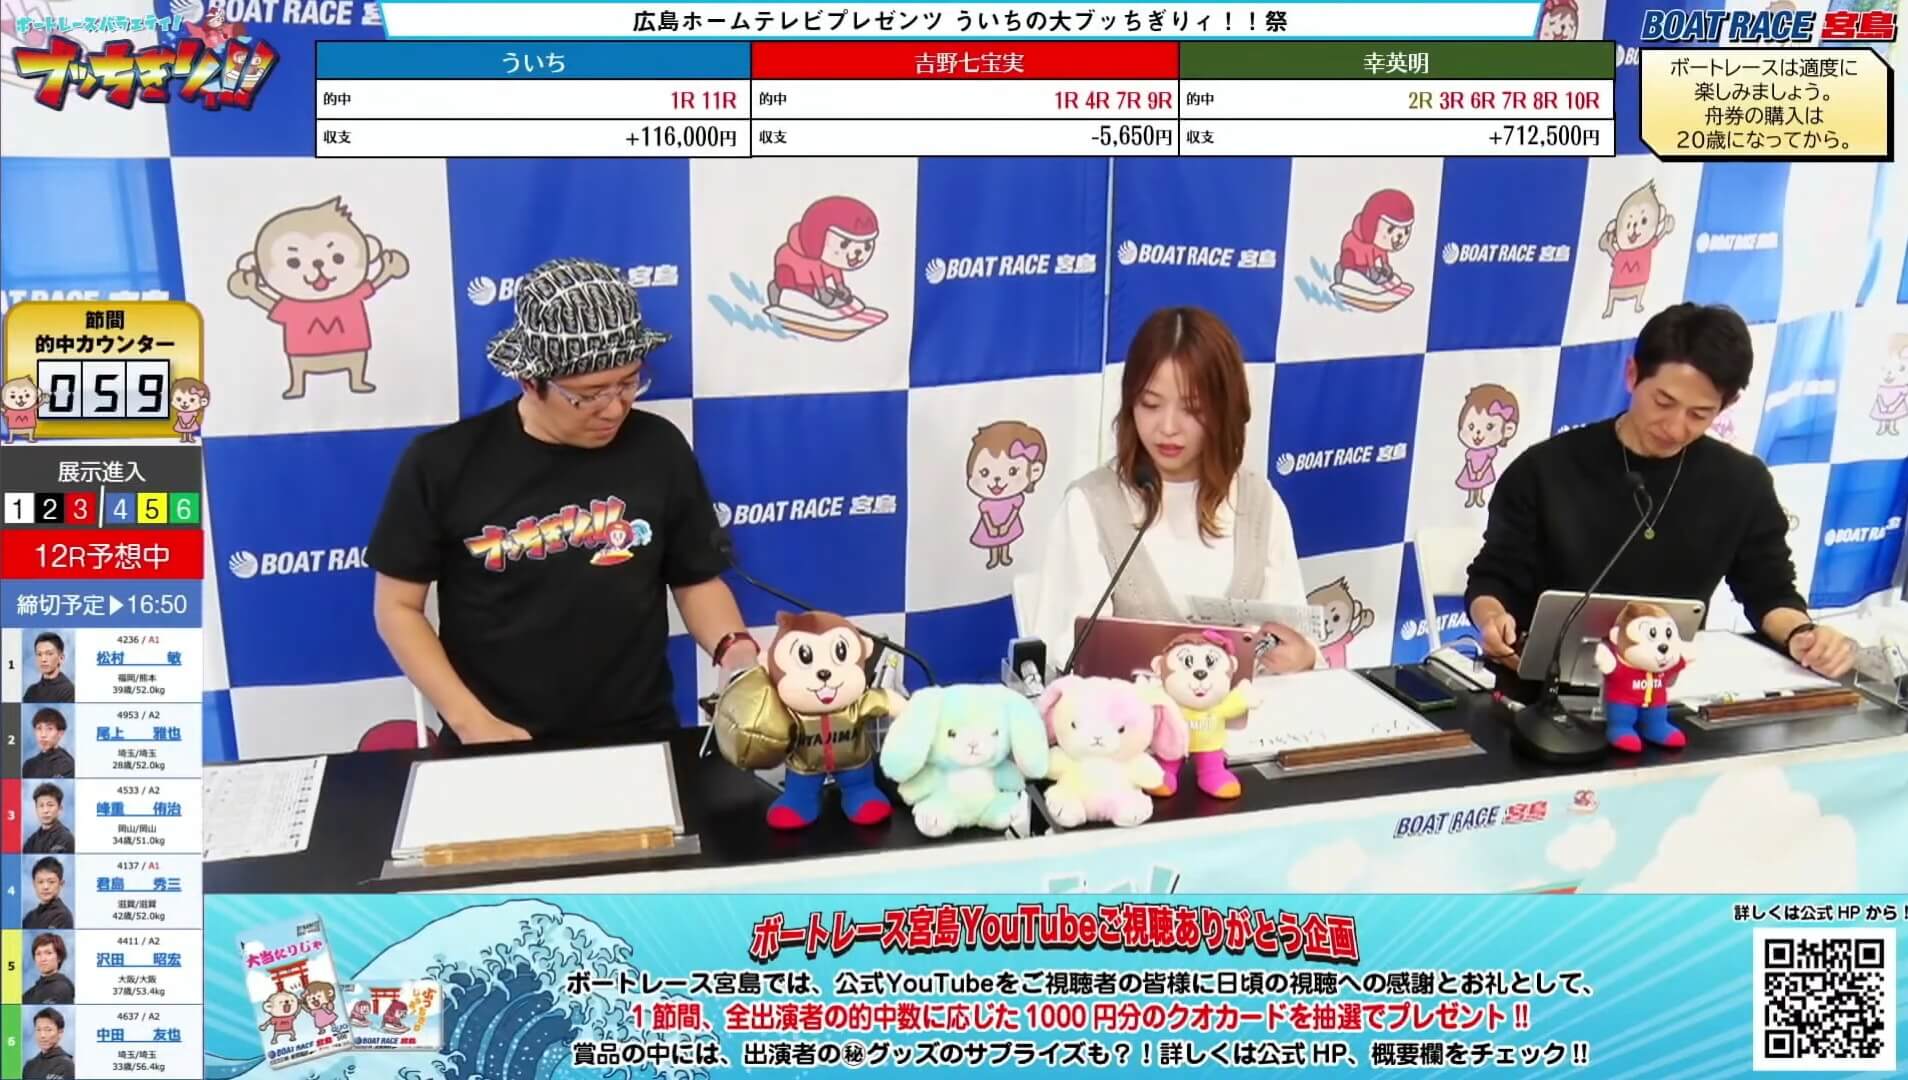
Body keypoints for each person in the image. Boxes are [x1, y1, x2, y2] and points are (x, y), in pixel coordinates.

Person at [368, 259, 760, 746]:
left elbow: (695, 578)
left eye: (629, 382)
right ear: (529, 381)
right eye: (588, 395)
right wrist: (472, 723)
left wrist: (735, 653)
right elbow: (398, 608)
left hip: (639, 733)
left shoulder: (659, 447)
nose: (615, 408)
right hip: (493, 736)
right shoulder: (442, 462)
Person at [1466, 302, 1856, 679]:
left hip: (1667, 685)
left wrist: (1801, 635)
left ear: (1727, 405)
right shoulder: (1545, 469)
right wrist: (1492, 619)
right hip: (1541, 686)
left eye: (1699, 414)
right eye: (1663, 402)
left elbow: (1770, 591)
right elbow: (1493, 579)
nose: (1675, 427)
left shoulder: (1741, 482)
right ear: (1632, 374)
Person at [1031, 307, 1319, 674]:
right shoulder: (1089, 506)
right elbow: (1063, 660)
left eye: (1192, 408)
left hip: (1253, 711)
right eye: (1150, 404)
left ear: (1225, 409)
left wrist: (1304, 658)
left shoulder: (1260, 504)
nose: (1167, 427)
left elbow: (1293, 645)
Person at [21, 1008, 73, 1079]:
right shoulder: (29, 1066)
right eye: (38, 1030)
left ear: (60, 1033)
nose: (42, 1035)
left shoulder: (67, 1065)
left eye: (48, 1030)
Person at [21, 934, 73, 1005]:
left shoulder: (62, 988)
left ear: (59, 957)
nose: (42, 959)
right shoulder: (27, 995)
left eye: (49, 953)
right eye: (38, 954)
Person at [22, 858, 72, 930]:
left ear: (61, 884)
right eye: (40, 882)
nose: (45, 887)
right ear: (34, 884)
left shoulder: (63, 916)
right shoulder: (29, 917)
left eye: (51, 882)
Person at [21, 634, 73, 703]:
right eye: (39, 654)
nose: (43, 659)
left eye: (49, 654)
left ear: (61, 658)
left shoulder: (69, 690)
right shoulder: (31, 691)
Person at [21, 709, 73, 779]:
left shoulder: (67, 764)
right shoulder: (28, 765)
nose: (43, 735)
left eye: (49, 729)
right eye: (39, 728)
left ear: (60, 734)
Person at [23, 785, 72, 855]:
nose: (45, 810)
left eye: (50, 805)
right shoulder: (31, 841)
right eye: (41, 805)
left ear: (60, 809)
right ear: (36, 810)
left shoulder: (66, 838)